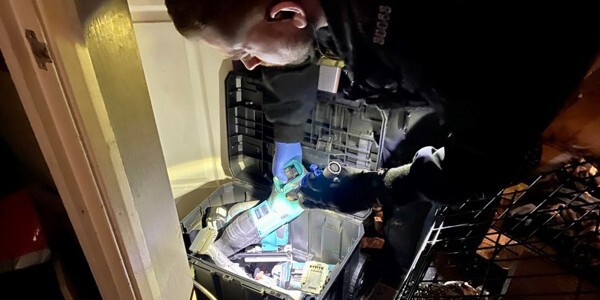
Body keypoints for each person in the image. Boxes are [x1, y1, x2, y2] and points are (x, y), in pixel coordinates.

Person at [165, 0, 600, 274]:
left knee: (432, 190)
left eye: (244, 51)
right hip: (470, 89)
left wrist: (382, 185)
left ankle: (413, 263)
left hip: (536, 79)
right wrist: (288, 137)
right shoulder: (321, 11)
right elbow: (300, 46)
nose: (252, 64)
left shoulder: (435, 49)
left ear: (286, 12)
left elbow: (491, 159)